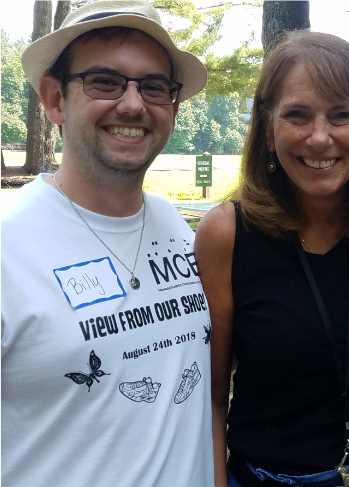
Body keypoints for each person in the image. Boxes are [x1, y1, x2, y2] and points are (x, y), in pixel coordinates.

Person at [195, 31, 349, 487]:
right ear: (267, 126)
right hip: (270, 479)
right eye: (297, 115)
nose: (320, 138)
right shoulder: (226, 234)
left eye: (341, 115)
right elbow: (212, 399)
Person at [0, 1, 214, 486]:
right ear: (54, 99)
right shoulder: (8, 249)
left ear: (173, 109)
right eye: (105, 81)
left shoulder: (177, 227)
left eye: (154, 87)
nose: (134, 105)